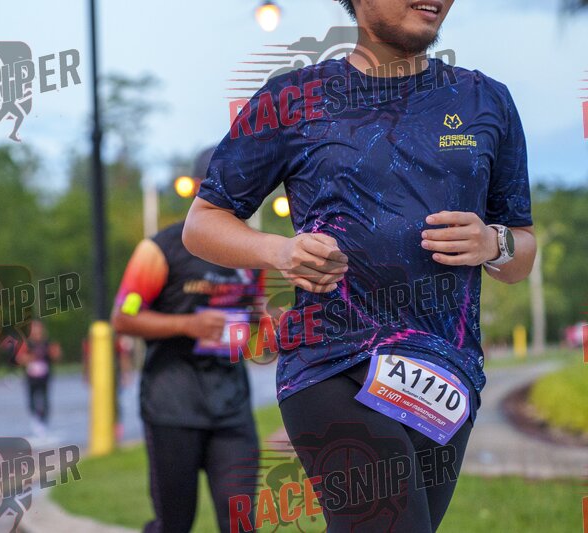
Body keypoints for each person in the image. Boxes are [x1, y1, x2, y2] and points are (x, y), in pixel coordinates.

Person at [182, 1, 536, 531]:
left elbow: (520, 253)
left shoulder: (487, 101)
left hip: (446, 376)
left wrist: (494, 242)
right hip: (333, 364)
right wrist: (280, 251)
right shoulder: (292, 99)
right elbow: (202, 223)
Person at [111, 147, 264, 533]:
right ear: (199, 188)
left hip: (231, 406)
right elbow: (123, 318)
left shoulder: (252, 252)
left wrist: (269, 325)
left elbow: (256, 318)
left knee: (241, 520)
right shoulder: (160, 249)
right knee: (175, 523)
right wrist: (187, 325)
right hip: (172, 405)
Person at [15, 319, 61, 437]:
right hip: (31, 378)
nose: (37, 332)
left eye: (39, 329)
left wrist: (54, 353)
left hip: (45, 377)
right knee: (32, 401)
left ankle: (44, 422)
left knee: (45, 401)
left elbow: (56, 356)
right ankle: (35, 419)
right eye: (34, 329)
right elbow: (19, 359)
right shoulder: (27, 344)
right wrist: (30, 358)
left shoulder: (47, 343)